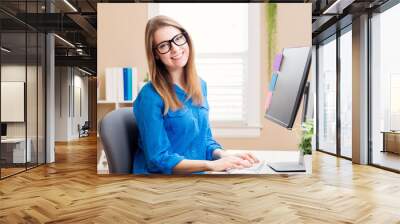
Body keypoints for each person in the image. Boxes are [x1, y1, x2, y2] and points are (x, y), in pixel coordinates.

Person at [133, 15, 259, 174]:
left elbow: (204, 141)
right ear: (156, 54)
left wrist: (224, 155)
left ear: (186, 39)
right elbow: (158, 160)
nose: (175, 49)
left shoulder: (200, 86)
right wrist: (210, 165)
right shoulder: (150, 96)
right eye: (164, 45)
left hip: (195, 177)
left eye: (178, 38)